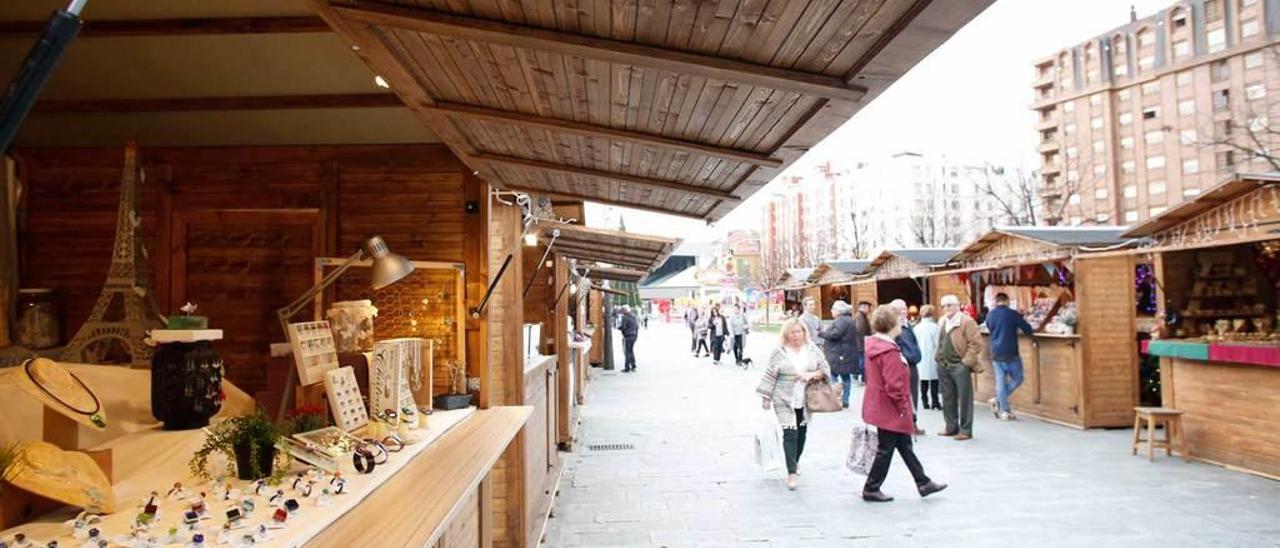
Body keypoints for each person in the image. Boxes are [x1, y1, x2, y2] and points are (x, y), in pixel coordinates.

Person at [861, 305, 947, 502]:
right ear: (893, 325)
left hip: (880, 403)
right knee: (886, 448)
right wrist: (904, 407)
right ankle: (871, 487)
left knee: (904, 444)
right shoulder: (889, 350)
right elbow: (895, 384)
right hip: (890, 407)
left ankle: (923, 482)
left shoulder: (875, 345)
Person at [756, 317, 830, 490]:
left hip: (805, 398)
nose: (796, 335)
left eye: (799, 331)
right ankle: (791, 473)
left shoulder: (813, 350)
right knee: (790, 433)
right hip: (783, 398)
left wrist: (812, 375)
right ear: (786, 334)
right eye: (792, 332)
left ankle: (794, 462)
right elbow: (769, 375)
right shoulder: (779, 352)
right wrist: (766, 397)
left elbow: (825, 369)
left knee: (802, 433)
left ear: (804, 333)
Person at [935, 295, 984, 441]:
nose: (946, 308)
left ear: (958, 306)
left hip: (959, 365)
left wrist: (966, 363)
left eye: (950, 305)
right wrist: (937, 357)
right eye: (944, 306)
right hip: (944, 365)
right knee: (947, 398)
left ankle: (966, 430)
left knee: (965, 399)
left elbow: (976, 344)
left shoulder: (967, 321)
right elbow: (940, 342)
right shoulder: (943, 321)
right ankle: (951, 427)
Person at [984, 292, 1036, 420]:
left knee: (1000, 381)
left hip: (995, 351)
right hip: (1010, 351)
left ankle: (1003, 409)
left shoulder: (990, 314)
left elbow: (990, 328)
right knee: (1018, 378)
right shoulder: (1012, 314)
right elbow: (1027, 328)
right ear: (1007, 301)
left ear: (996, 301)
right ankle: (999, 402)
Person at [889, 299, 925, 436]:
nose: (903, 312)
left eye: (904, 308)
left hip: (912, 364)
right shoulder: (893, 327)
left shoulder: (907, 325)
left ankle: (913, 422)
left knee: (913, 394)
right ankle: (905, 424)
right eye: (899, 310)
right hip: (902, 365)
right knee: (904, 395)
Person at [817, 300, 858, 409]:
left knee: (832, 375)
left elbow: (835, 334)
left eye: (833, 309)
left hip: (838, 354)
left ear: (838, 311)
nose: (831, 311)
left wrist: (822, 333)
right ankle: (845, 400)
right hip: (845, 353)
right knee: (846, 377)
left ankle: (837, 397)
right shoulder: (848, 320)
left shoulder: (842, 321)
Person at [914, 305, 942, 410]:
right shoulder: (935, 327)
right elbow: (938, 343)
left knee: (923, 379)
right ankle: (935, 401)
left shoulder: (916, 328)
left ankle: (924, 401)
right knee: (934, 379)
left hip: (921, 356)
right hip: (932, 355)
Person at [853, 301, 872, 384]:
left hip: (860, 344)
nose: (869, 309)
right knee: (862, 362)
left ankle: (862, 377)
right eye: (867, 307)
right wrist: (866, 341)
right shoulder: (860, 317)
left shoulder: (862, 316)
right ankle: (857, 375)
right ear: (862, 307)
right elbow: (860, 330)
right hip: (860, 344)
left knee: (862, 362)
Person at [617, 305, 640, 373]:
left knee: (627, 352)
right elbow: (637, 326)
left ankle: (627, 367)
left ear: (625, 310)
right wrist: (636, 335)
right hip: (634, 336)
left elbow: (623, 327)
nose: (621, 311)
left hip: (627, 336)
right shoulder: (633, 316)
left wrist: (619, 327)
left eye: (622, 310)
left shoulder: (625, 317)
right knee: (631, 351)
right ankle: (633, 366)